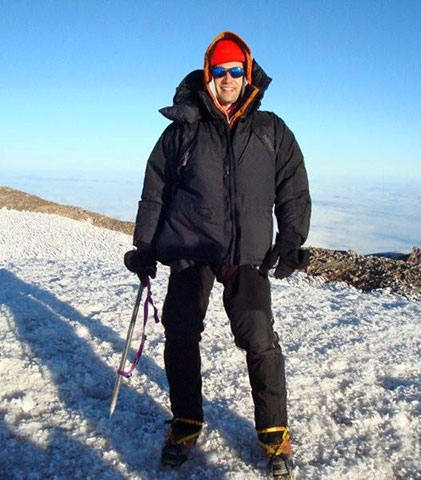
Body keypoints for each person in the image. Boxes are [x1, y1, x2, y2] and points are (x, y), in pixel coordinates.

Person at [124, 31, 311, 478]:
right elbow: (155, 193)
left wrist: (290, 240)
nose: (229, 79)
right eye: (221, 71)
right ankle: (186, 422)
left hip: (246, 254)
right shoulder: (181, 131)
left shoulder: (271, 130)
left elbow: (293, 189)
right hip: (190, 249)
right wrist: (145, 246)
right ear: (208, 76)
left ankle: (273, 433)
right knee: (182, 334)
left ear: (248, 76)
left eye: (236, 71)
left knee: (259, 339)